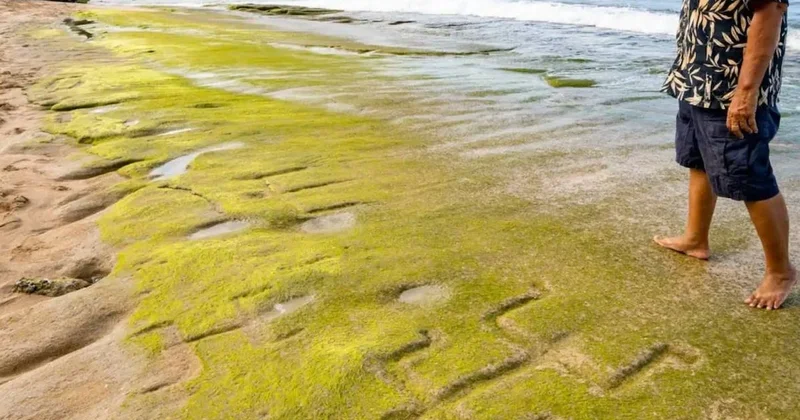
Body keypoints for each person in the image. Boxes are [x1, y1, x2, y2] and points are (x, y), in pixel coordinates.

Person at [657, 0, 794, 310]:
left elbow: (769, 12)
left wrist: (746, 93)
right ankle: (695, 239)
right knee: (698, 160)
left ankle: (781, 271)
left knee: (749, 177)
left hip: (732, 87)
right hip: (697, 78)